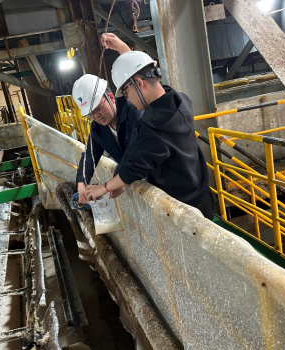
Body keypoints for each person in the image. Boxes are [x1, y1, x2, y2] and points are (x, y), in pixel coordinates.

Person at [85, 34, 215, 219]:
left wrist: (103, 187)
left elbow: (132, 169)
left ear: (139, 83)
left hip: (183, 211)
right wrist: (124, 50)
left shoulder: (152, 128)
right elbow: (147, 82)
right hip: (203, 197)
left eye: (126, 92)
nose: (128, 99)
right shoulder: (180, 100)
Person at [72, 74, 142, 203]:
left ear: (111, 97)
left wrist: (113, 183)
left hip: (161, 179)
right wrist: (81, 183)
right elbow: (89, 156)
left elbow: (135, 151)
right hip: (136, 181)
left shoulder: (134, 111)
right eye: (90, 113)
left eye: (98, 108)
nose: (96, 116)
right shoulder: (97, 128)